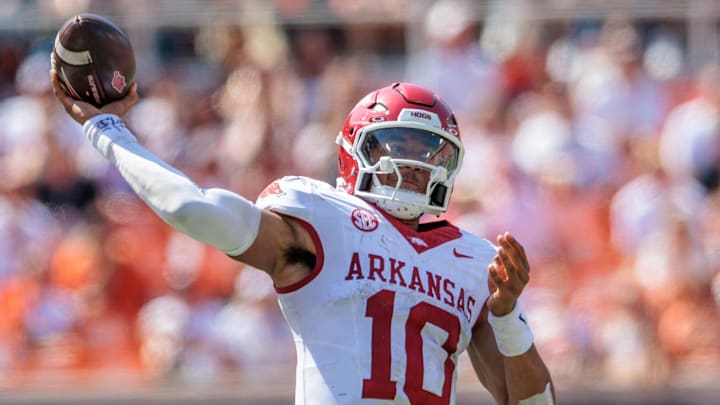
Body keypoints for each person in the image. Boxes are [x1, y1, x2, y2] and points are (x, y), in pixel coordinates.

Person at [50, 69, 554, 404]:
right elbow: (191, 208)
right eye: (398, 144)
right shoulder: (323, 218)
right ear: (354, 152)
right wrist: (106, 130)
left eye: (430, 152)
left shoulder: (474, 260)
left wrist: (507, 317)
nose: (416, 165)